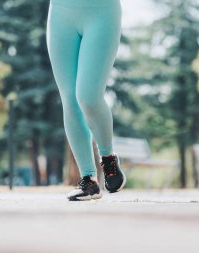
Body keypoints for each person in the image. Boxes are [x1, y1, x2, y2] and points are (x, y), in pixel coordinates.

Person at [46, 0, 126, 201]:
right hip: (60, 13)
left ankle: (108, 158)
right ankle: (88, 180)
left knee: (88, 96)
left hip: (102, 12)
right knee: (70, 99)